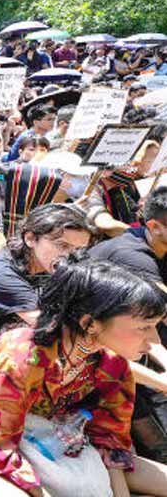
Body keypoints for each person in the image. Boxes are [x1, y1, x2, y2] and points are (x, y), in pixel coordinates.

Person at [0, 259, 167, 497]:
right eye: (143, 327)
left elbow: (108, 441)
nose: (152, 342)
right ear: (89, 323)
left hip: (61, 435)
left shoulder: (113, 365)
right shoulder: (21, 355)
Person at [0, 203, 93, 369]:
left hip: (22, 329)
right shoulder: (1, 275)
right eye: (62, 245)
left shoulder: (47, 264)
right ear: (30, 239)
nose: (69, 255)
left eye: (78, 249)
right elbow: (50, 330)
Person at [90, 186, 167, 462]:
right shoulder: (132, 256)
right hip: (94, 345)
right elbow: (159, 316)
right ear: (154, 226)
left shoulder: (158, 242)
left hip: (134, 330)